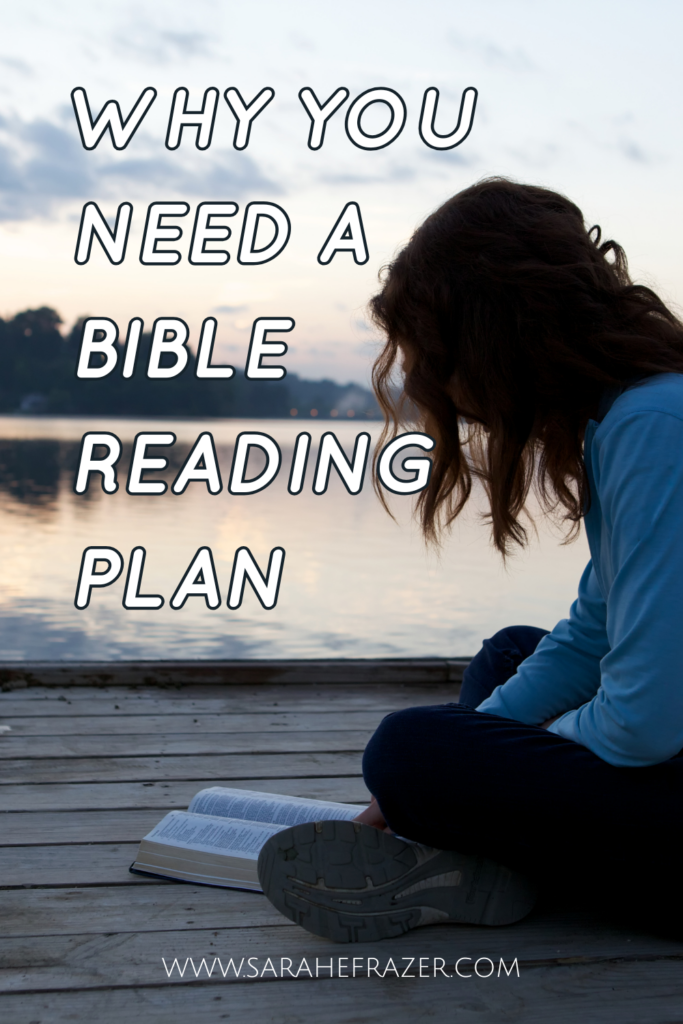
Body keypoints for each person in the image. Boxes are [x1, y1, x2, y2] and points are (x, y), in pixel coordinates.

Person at [257, 178, 683, 942]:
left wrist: (472, 777)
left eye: (437, 358)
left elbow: (644, 726)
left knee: (408, 750)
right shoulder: (629, 412)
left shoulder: (654, 426)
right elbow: (595, 632)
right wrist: (487, 758)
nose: (440, 390)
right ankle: (498, 857)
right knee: (511, 654)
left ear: (492, 336)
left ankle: (497, 856)